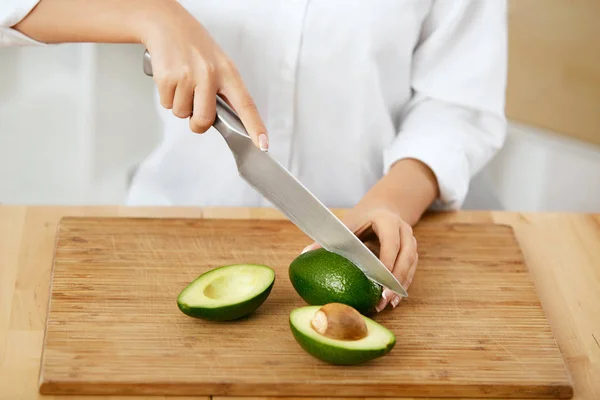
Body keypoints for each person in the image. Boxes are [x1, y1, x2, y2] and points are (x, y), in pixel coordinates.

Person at [0, 0, 507, 312]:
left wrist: (392, 202)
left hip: (368, 230)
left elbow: (458, 106)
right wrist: (149, 12)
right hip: (172, 227)